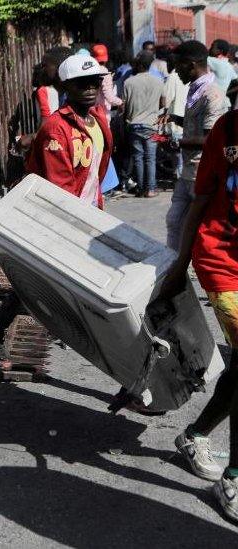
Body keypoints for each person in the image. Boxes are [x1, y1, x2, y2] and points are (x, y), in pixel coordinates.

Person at [0, 54, 113, 371]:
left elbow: (96, 172)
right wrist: (78, 226)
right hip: (57, 219)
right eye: (82, 83)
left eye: (95, 81)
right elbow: (59, 189)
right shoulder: (56, 128)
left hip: (86, 213)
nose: (91, 88)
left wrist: (96, 211)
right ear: (67, 87)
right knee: (38, 284)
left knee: (48, 284)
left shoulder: (99, 123)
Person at [159, 110, 238, 523]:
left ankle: (195, 435)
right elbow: (201, 198)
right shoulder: (227, 131)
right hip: (223, 263)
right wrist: (179, 266)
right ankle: (234, 478)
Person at [165, 41, 230, 251]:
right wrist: (175, 118)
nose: (175, 72)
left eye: (178, 66)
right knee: (174, 222)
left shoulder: (213, 95)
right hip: (188, 172)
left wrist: (175, 142)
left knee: (198, 229)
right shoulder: (196, 90)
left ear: (191, 65)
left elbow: (210, 139)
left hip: (202, 175)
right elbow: (197, 125)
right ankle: (174, 270)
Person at [121, 51, 165, 198]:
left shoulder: (129, 82)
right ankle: (151, 189)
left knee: (138, 157)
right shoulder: (159, 81)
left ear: (138, 65)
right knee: (150, 158)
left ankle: (140, 189)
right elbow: (163, 104)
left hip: (134, 124)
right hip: (152, 125)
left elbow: (124, 106)